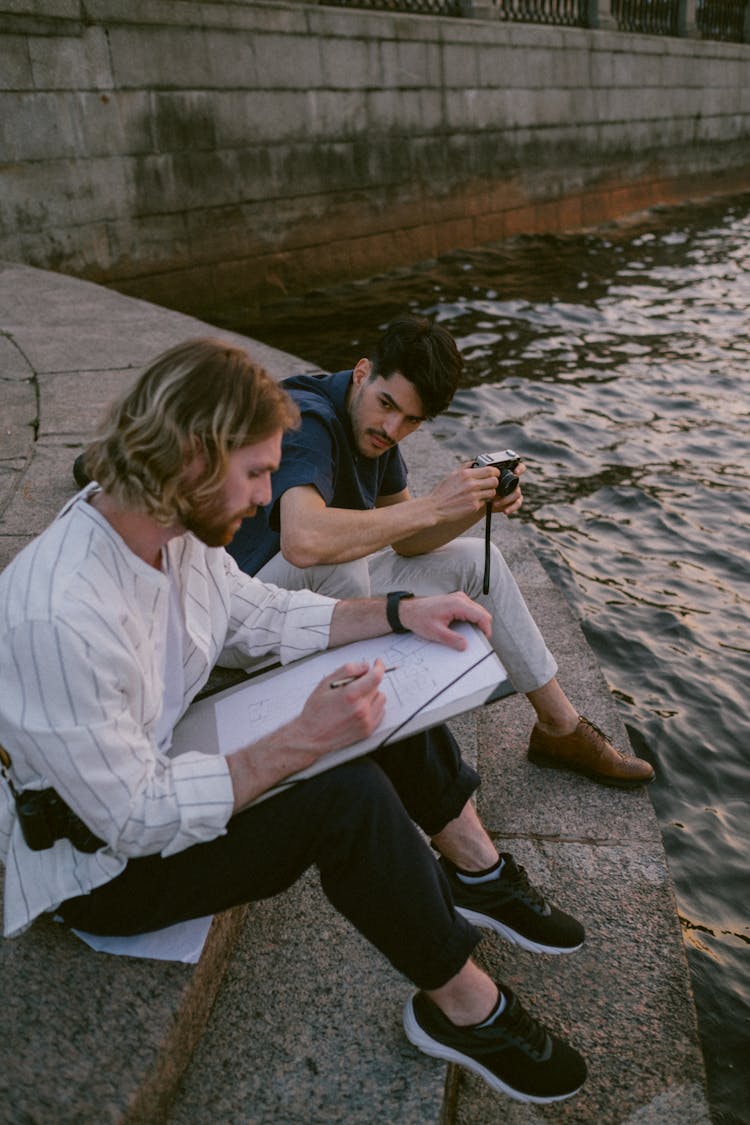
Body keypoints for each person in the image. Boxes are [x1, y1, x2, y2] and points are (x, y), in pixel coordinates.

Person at [1, 338, 587, 1105]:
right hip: (101, 867)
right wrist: (301, 739)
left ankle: (474, 870)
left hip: (166, 756)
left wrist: (399, 610)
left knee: (375, 673)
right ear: (190, 459)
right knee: (347, 800)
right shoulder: (61, 614)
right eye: (256, 473)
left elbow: (263, 613)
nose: (265, 496)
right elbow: (133, 820)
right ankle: (469, 1010)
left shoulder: (167, 529)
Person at [227, 316, 654, 789]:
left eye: (411, 420)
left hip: (307, 599)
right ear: (363, 372)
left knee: (472, 560)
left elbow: (408, 539)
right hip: (237, 619)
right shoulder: (310, 418)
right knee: (340, 553)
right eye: (387, 405)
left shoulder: (374, 426)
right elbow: (304, 541)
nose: (392, 428)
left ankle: (560, 728)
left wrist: (471, 504)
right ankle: (352, 733)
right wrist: (433, 504)